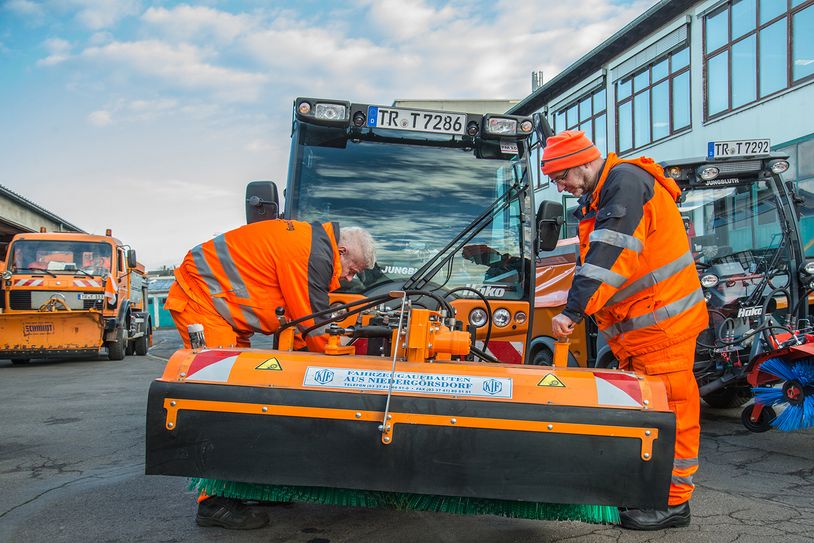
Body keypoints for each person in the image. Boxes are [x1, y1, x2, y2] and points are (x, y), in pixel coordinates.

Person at [164, 219, 375, 530]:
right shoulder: (311, 254)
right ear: (341, 251)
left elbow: (298, 316)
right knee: (221, 402)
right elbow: (313, 326)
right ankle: (213, 503)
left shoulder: (311, 246)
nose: (348, 278)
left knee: (241, 398)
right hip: (203, 304)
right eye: (353, 270)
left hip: (223, 312)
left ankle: (244, 486)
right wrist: (350, 356)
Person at [544, 130, 707, 531]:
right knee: (653, 416)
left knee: (674, 414)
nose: (559, 186)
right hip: (644, 332)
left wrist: (573, 311)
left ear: (584, 162)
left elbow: (607, 258)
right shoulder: (605, 193)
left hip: (662, 329)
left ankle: (673, 503)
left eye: (560, 175)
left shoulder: (625, 184)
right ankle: (650, 492)